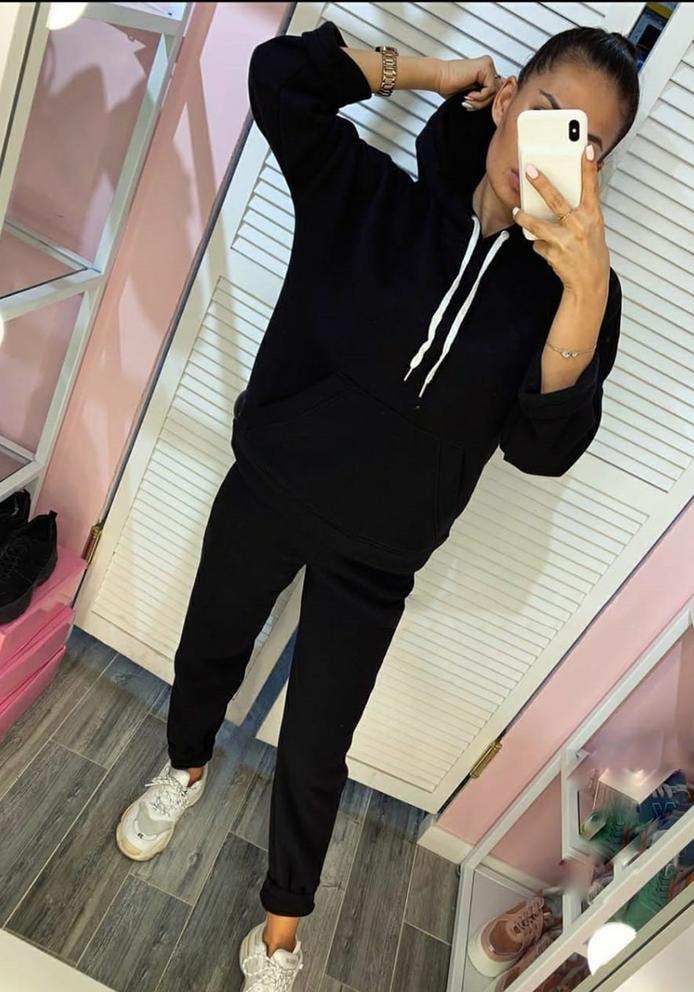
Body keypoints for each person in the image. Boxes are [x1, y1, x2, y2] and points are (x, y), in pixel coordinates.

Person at [115, 18, 638, 991]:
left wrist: (583, 291)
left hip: (380, 553)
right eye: (545, 110)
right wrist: (434, 71)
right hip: (272, 484)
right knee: (210, 644)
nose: (555, 145)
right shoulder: (370, 198)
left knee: (318, 745)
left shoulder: (572, 302)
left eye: (587, 142)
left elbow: (543, 449)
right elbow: (280, 78)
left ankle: (279, 933)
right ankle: (183, 767)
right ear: (508, 99)